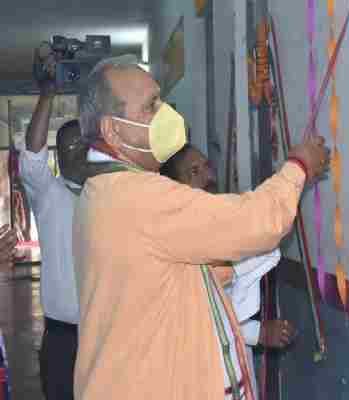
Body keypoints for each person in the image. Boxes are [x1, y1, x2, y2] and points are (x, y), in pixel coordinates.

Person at [73, 55, 328, 400]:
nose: (166, 114)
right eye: (150, 106)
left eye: (161, 100)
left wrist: (228, 271)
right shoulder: (137, 197)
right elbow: (254, 221)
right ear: (112, 130)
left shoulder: (101, 192)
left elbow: (160, 278)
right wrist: (298, 166)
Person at [160, 144, 297, 396]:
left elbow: (224, 309)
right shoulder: (177, 249)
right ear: (175, 188)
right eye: (194, 172)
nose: (208, 177)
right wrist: (257, 332)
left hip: (235, 371)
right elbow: (202, 321)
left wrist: (257, 332)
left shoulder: (220, 230)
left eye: (207, 166)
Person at [19, 52, 88, 400]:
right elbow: (32, 156)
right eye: (68, 147)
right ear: (58, 156)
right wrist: (47, 95)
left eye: (82, 145)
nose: (77, 152)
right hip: (62, 338)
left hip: (106, 332)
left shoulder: (110, 196)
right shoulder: (49, 194)